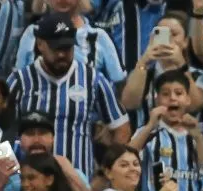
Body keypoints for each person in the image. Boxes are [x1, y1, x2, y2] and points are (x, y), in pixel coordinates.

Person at [7, 12, 130, 179]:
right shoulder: (20, 81)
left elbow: (121, 127)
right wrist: (12, 172)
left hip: (79, 185)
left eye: (67, 48)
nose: (61, 55)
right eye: (55, 48)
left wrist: (103, 175)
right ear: (40, 44)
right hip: (31, 185)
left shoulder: (92, 79)